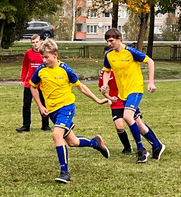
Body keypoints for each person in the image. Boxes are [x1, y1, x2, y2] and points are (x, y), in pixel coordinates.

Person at [30, 39, 111, 184]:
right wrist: (40, 106)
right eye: (42, 57)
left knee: (57, 135)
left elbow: (81, 87)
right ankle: (96, 143)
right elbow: (33, 86)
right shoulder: (40, 70)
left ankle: (64, 173)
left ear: (55, 55)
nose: (44, 60)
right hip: (52, 111)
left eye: (46, 57)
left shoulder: (65, 69)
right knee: (73, 142)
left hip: (66, 108)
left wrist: (97, 100)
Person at [100, 28, 165, 163]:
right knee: (137, 122)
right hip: (122, 94)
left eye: (111, 40)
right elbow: (107, 71)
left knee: (127, 117)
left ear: (119, 39)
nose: (109, 43)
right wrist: (104, 85)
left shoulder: (130, 52)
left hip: (135, 89)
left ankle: (141, 149)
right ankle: (157, 145)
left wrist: (151, 82)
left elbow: (150, 61)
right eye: (107, 41)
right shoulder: (109, 56)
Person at [16, 35, 51, 132]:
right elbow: (25, 67)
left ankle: (45, 125)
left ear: (40, 42)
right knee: (26, 104)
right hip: (30, 83)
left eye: (37, 42)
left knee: (44, 103)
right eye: (33, 42)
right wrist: (22, 79)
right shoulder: (28, 53)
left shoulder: (45, 53)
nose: (35, 44)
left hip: (42, 83)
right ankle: (26, 125)